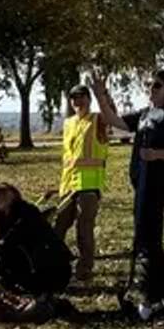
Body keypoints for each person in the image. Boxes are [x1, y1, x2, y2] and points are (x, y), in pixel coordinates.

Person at [92, 69, 164, 321]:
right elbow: (115, 121)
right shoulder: (145, 114)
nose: (151, 90)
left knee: (147, 242)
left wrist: (157, 154)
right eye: (149, 86)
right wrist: (101, 96)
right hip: (141, 186)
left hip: (157, 187)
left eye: (157, 86)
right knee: (147, 241)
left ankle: (149, 297)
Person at [0, 183, 73, 318]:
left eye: (6, 194)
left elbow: (8, 241)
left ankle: (42, 300)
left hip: (53, 267)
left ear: (14, 194)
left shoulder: (27, 213)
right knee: (1, 263)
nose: (3, 199)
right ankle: (44, 299)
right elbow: (0, 246)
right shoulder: (2, 220)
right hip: (36, 264)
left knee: (4, 261)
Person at [51, 83, 108, 283]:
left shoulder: (97, 120)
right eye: (74, 98)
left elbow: (111, 115)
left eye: (82, 97)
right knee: (58, 227)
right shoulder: (69, 124)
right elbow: (69, 157)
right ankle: (55, 263)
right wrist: (58, 187)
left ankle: (84, 270)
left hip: (89, 186)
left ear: (89, 99)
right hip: (68, 185)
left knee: (84, 230)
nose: (78, 101)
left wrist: (103, 93)